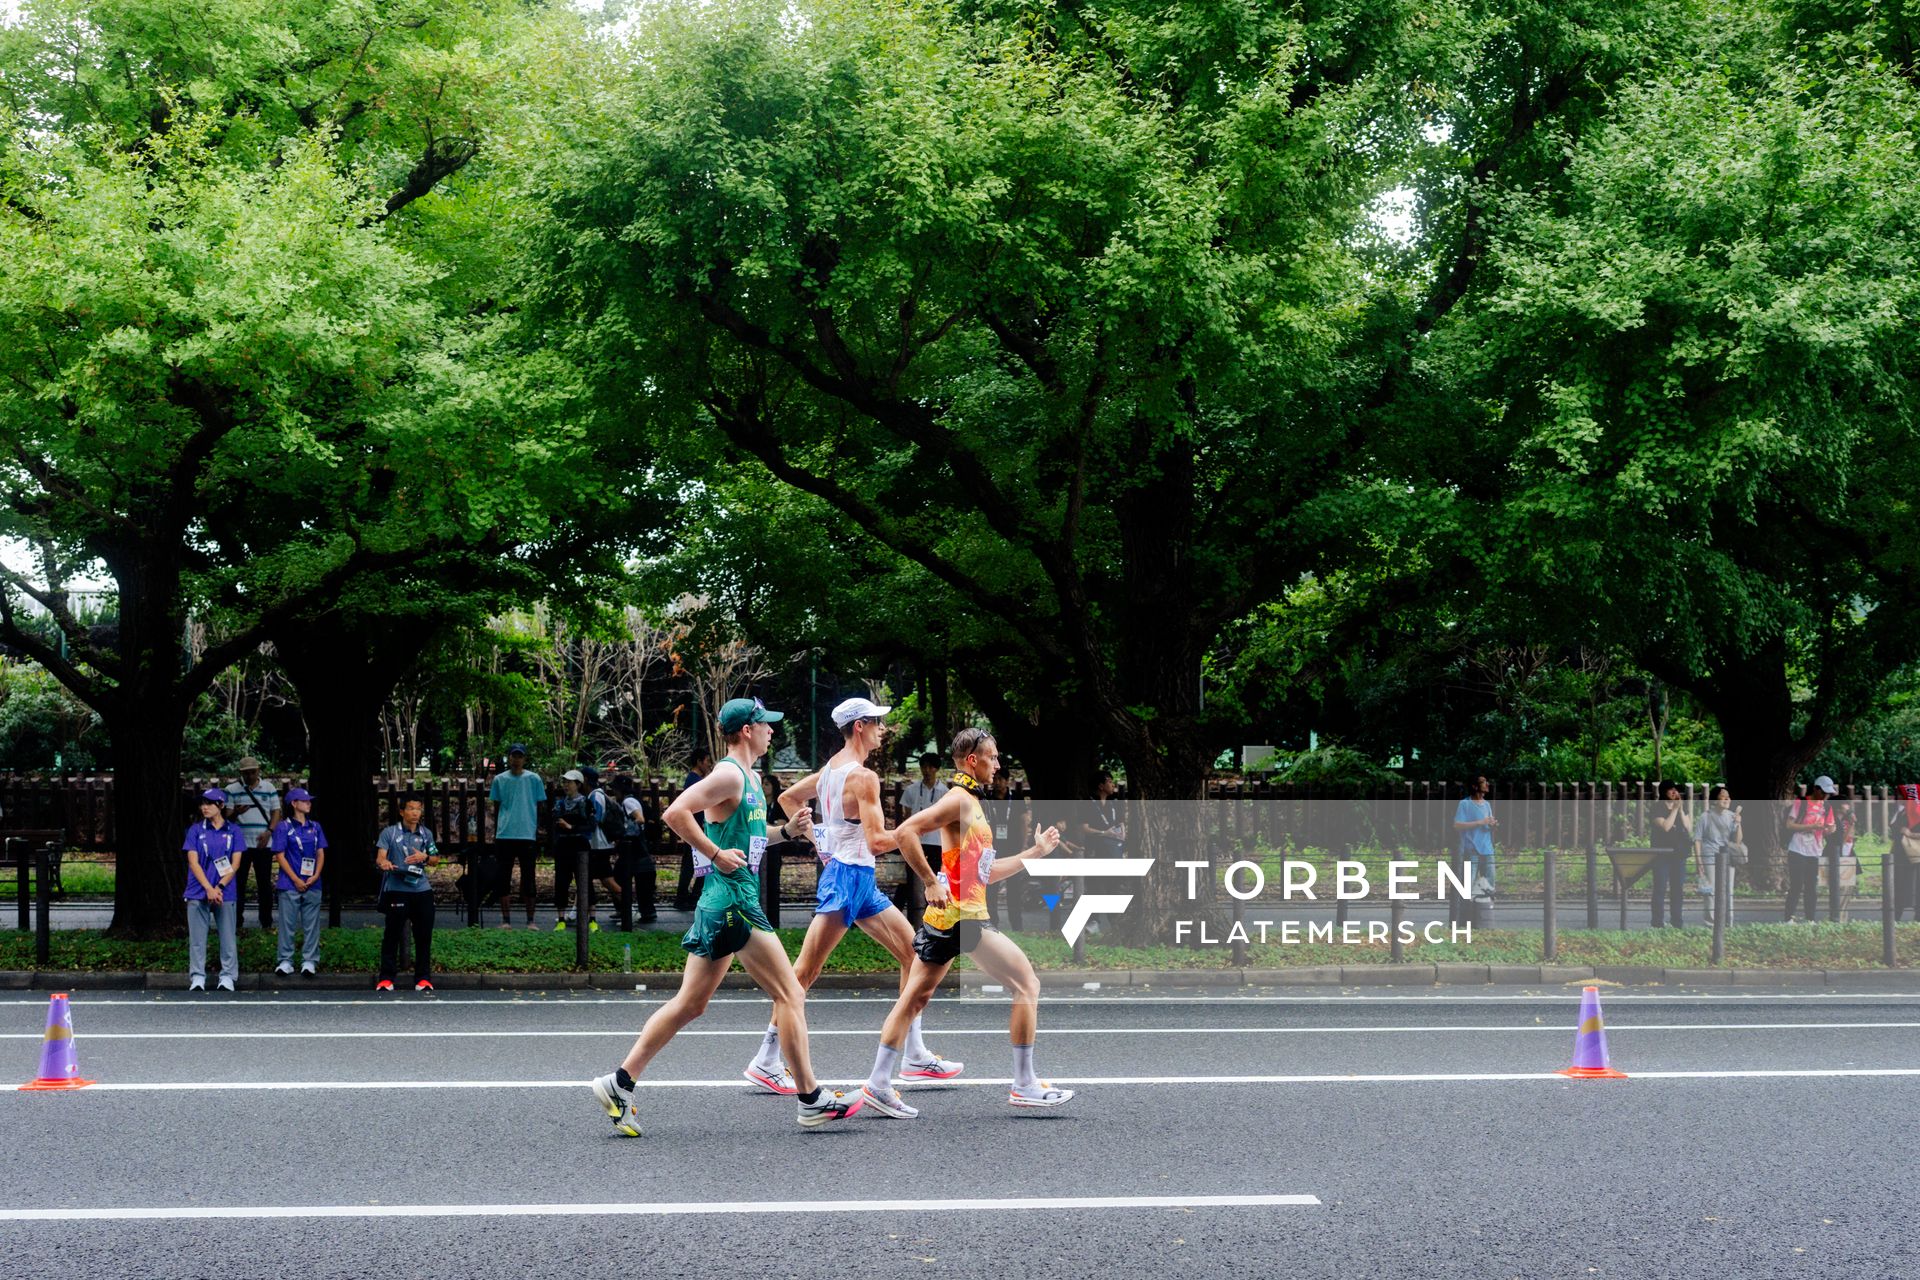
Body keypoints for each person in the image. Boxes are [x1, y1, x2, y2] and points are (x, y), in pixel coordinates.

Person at [589, 697, 861, 1135]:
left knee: (691, 1003)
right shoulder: (728, 774)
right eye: (766, 724)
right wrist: (714, 854)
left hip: (723, 900)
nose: (773, 730)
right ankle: (811, 1099)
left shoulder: (750, 779)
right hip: (734, 902)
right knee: (791, 994)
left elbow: (751, 840)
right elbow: (676, 813)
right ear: (747, 730)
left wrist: (788, 832)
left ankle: (619, 1082)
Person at [741, 697, 962, 1102]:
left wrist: (820, 838)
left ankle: (913, 1053)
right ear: (859, 726)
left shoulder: (831, 770)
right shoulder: (862, 777)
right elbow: (878, 842)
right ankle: (766, 1059)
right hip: (847, 879)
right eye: (878, 722)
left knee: (915, 957)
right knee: (803, 974)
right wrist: (920, 829)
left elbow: (789, 799)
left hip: (857, 879)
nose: (884, 729)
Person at [858, 727, 1070, 1118]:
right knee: (1027, 983)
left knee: (914, 999)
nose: (998, 763)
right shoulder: (958, 800)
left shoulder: (970, 802)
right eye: (993, 757)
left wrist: (1036, 853)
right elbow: (906, 832)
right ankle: (1024, 1085)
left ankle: (878, 1084)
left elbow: (984, 873)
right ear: (973, 761)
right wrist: (928, 882)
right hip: (963, 920)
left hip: (956, 917)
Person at [183, 788, 246, 993]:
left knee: (228, 936)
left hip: (224, 891)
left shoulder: (234, 830)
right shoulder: (195, 830)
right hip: (198, 890)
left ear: (220, 805)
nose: (204, 807)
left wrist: (218, 887)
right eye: (202, 803)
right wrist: (209, 888)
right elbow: (193, 862)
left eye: (209, 803)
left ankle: (227, 976)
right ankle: (197, 976)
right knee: (197, 938)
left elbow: (235, 864)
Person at [374, 797, 441, 992]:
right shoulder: (390, 832)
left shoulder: (426, 833)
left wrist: (425, 857)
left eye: (418, 809)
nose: (415, 813)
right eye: (411, 809)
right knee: (392, 934)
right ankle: (386, 978)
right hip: (397, 890)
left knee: (423, 935)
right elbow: (380, 857)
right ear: (402, 811)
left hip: (422, 890)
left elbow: (436, 859)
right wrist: (384, 863)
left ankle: (423, 978)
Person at [270, 787, 327, 977]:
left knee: (312, 924)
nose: (309, 803)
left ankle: (309, 960)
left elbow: (320, 852)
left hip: (312, 882)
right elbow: (280, 855)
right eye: (304, 801)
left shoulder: (315, 826)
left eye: (309, 801)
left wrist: (316, 875)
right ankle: (285, 960)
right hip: (289, 883)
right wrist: (295, 879)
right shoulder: (283, 827)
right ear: (294, 803)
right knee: (288, 924)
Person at [489, 744, 546, 930]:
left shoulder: (534, 779)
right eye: (513, 756)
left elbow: (539, 805)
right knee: (503, 877)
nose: (516, 759)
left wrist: (537, 827)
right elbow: (497, 807)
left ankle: (531, 920)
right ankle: (506, 920)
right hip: (505, 833)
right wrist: (498, 828)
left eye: (520, 756)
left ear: (524, 759)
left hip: (527, 833)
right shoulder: (499, 779)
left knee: (529, 877)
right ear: (509, 758)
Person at [226, 756, 281, 929]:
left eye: (252, 772)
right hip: (240, 844)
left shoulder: (269, 787)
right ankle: (237, 922)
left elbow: (276, 812)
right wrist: (236, 813)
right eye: (246, 773)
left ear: (258, 771)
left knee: (264, 883)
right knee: (239, 882)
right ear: (240, 773)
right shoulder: (231, 789)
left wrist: (269, 832)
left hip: (263, 842)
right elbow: (227, 817)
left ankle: (266, 921)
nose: (250, 776)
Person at [896, 752, 948, 923]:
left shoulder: (945, 792)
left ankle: (932, 916)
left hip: (936, 842)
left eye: (930, 766)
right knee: (910, 879)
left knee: (934, 877)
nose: (926, 770)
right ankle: (902, 914)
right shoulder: (912, 790)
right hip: (916, 842)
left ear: (936, 769)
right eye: (923, 766)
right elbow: (906, 816)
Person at [1782, 777, 1837, 923]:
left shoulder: (1827, 807)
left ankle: (1810, 919)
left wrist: (1830, 829)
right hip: (1797, 848)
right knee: (1796, 884)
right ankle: (1788, 918)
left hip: (1815, 850)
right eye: (1824, 792)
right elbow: (1789, 825)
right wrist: (1811, 827)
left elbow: (1829, 828)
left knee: (1811, 886)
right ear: (1816, 789)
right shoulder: (1801, 802)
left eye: (1828, 793)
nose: (1826, 796)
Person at [551, 770, 595, 930]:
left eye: (569, 782)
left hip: (580, 845)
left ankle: (592, 920)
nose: (566, 785)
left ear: (578, 784)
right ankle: (561, 918)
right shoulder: (560, 803)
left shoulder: (586, 803)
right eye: (564, 782)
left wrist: (571, 827)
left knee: (585, 880)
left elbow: (591, 825)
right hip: (563, 846)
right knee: (561, 881)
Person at [673, 748, 714, 911]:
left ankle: (687, 897)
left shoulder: (693, 779)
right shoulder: (695, 781)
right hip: (696, 830)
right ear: (699, 761)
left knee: (695, 866)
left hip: (694, 829)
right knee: (697, 867)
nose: (709, 764)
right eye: (707, 761)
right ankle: (688, 898)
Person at [1694, 787, 1742, 926]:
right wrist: (1699, 861)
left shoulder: (1732, 816)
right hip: (1709, 857)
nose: (1727, 799)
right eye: (1723, 796)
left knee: (1728, 889)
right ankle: (1710, 922)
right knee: (1711, 891)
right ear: (1715, 799)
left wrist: (1738, 823)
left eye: (1728, 796)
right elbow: (1697, 839)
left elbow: (1738, 841)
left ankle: (1728, 921)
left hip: (1728, 857)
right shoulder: (1705, 816)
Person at [613, 775, 656, 927]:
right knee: (624, 876)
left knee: (618, 876)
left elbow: (640, 819)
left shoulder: (628, 801)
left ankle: (628, 911)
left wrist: (625, 831)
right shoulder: (631, 799)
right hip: (637, 848)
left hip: (632, 846)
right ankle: (630, 910)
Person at [1452, 776, 1497, 917]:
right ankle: (1466, 914)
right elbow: (1457, 825)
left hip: (1487, 849)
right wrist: (1480, 822)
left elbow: (1487, 825)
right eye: (1484, 782)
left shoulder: (1487, 804)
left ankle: (1484, 913)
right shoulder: (1465, 804)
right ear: (1475, 786)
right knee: (1468, 884)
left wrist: (1492, 824)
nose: (1487, 784)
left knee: (1489, 881)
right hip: (1472, 849)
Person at [1648, 781, 1691, 928]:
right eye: (1671, 790)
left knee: (1677, 889)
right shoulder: (1656, 808)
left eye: (1676, 790)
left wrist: (1679, 810)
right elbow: (1665, 826)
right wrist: (1673, 811)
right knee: (1660, 888)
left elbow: (1688, 827)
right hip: (1661, 855)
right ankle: (1657, 923)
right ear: (1663, 792)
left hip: (1678, 854)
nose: (1675, 793)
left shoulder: (1680, 809)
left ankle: (1677, 922)